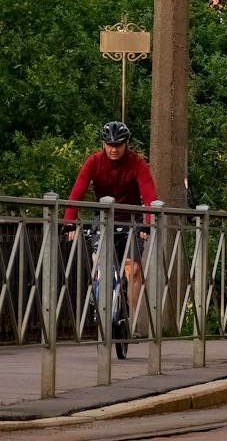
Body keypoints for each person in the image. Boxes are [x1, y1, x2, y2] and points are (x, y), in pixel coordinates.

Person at [66, 122, 158, 328]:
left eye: (118, 144)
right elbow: (78, 190)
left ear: (126, 144)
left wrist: (147, 224)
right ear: (103, 144)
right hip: (104, 217)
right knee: (99, 262)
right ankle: (99, 294)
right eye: (109, 144)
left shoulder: (136, 163)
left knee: (132, 270)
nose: (114, 149)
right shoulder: (94, 162)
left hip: (132, 219)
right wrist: (69, 222)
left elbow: (149, 193)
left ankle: (131, 322)